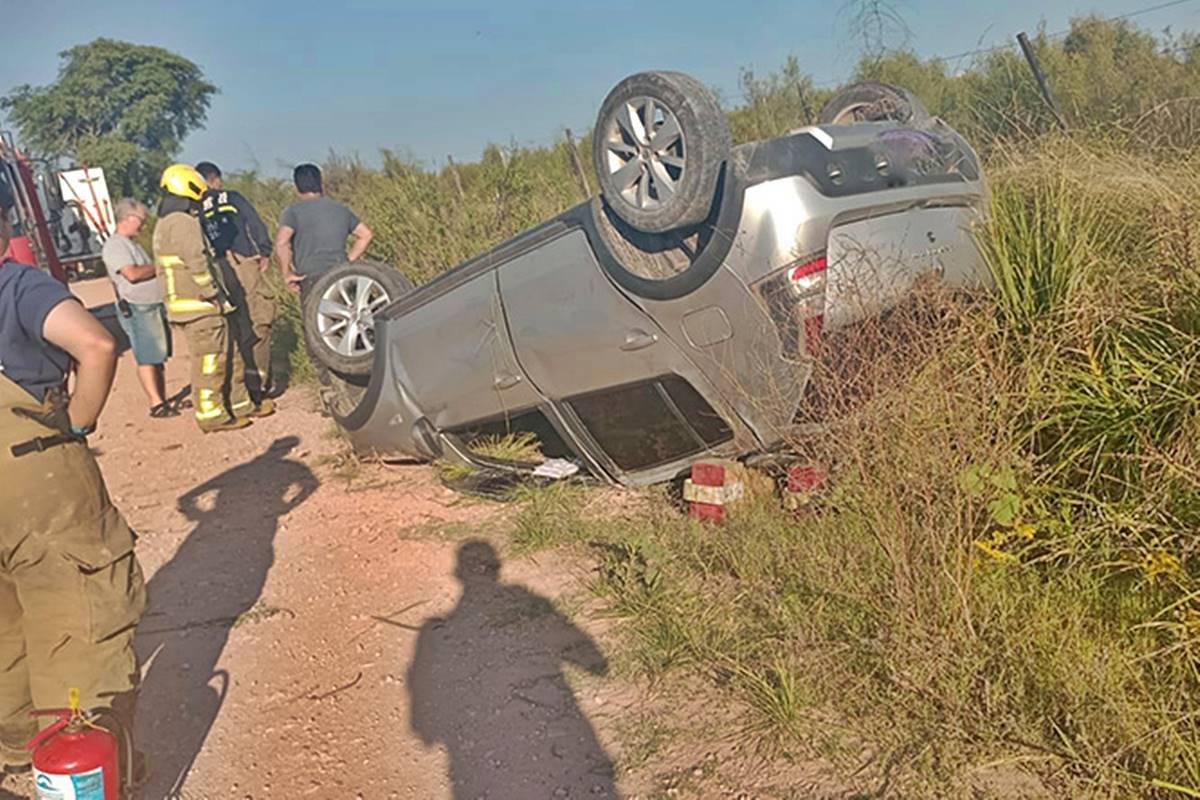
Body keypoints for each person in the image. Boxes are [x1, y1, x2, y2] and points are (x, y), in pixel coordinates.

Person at [0, 174, 146, 786]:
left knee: (6, 638)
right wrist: (76, 424)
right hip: (36, 480)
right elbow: (96, 344)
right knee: (78, 623)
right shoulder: (18, 285)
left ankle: (14, 767)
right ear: (7, 220)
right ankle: (76, 779)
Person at [152, 163, 267, 433]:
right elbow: (198, 262)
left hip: (197, 306)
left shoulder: (165, 224)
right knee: (210, 362)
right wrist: (212, 292)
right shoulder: (183, 223)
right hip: (200, 306)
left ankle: (241, 404)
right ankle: (211, 415)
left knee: (231, 355)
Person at [194, 161, 277, 401]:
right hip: (242, 264)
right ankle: (258, 384)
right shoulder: (231, 197)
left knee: (233, 327)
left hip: (217, 269)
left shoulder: (196, 208)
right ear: (216, 178)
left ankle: (236, 388)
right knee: (259, 321)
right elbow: (254, 224)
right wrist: (263, 251)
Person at [101, 197, 177, 418]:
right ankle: (156, 403)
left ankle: (162, 399)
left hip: (151, 306)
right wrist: (160, 266)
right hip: (138, 307)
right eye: (141, 219)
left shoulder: (130, 244)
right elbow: (132, 274)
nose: (143, 224)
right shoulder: (116, 245)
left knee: (157, 356)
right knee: (147, 356)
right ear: (128, 218)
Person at [275, 163, 373, 299]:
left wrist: (287, 273)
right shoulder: (340, 209)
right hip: (342, 273)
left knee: (317, 318)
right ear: (321, 185)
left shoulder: (292, 212)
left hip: (311, 278)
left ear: (296, 187)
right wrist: (348, 261)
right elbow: (366, 235)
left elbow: (281, 242)